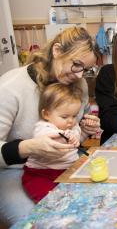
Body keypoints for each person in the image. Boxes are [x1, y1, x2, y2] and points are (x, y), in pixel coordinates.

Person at [0, 27, 100, 226]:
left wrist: (84, 129)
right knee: (40, 220)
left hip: (63, 164)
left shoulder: (78, 86)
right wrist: (29, 147)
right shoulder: (10, 88)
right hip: (15, 170)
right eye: (76, 65)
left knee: (93, 206)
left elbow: (72, 134)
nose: (80, 76)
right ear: (56, 50)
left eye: (85, 70)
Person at [22, 83, 84, 203]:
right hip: (40, 173)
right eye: (65, 117)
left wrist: (83, 131)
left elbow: (76, 140)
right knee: (50, 201)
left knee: (77, 196)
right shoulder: (43, 127)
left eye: (74, 116)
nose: (71, 121)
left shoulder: (71, 125)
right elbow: (55, 141)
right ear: (46, 114)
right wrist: (69, 136)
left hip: (67, 169)